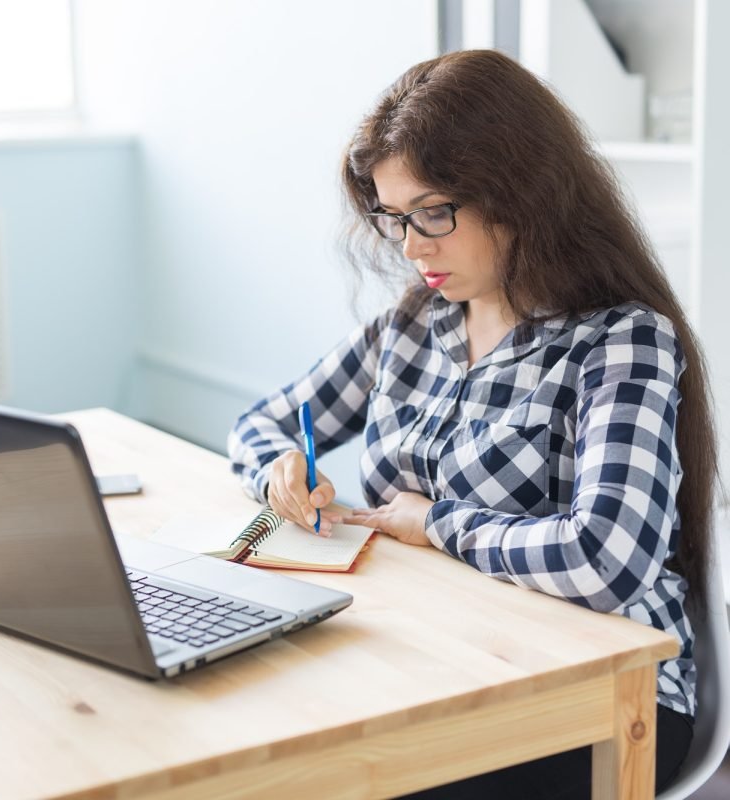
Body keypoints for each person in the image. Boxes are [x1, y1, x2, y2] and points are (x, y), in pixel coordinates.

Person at [227, 49, 719, 799]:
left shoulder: (620, 339)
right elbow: (259, 423)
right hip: (446, 653)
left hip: (607, 696)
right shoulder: (417, 321)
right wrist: (280, 470)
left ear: (520, 192)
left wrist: (438, 525)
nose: (412, 246)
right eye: (394, 219)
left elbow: (605, 557)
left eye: (434, 213)